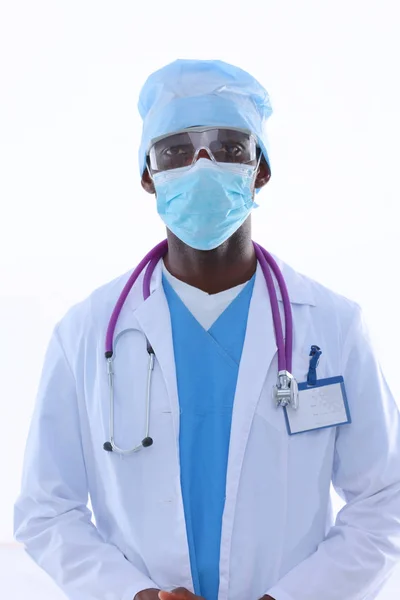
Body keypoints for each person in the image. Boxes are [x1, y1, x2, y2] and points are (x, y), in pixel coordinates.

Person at [14, 59, 400, 600]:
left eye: (228, 147)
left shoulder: (334, 326)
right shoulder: (84, 333)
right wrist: (135, 595)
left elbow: (387, 500)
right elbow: (46, 508)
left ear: (260, 169)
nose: (201, 165)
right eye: (175, 150)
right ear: (147, 175)